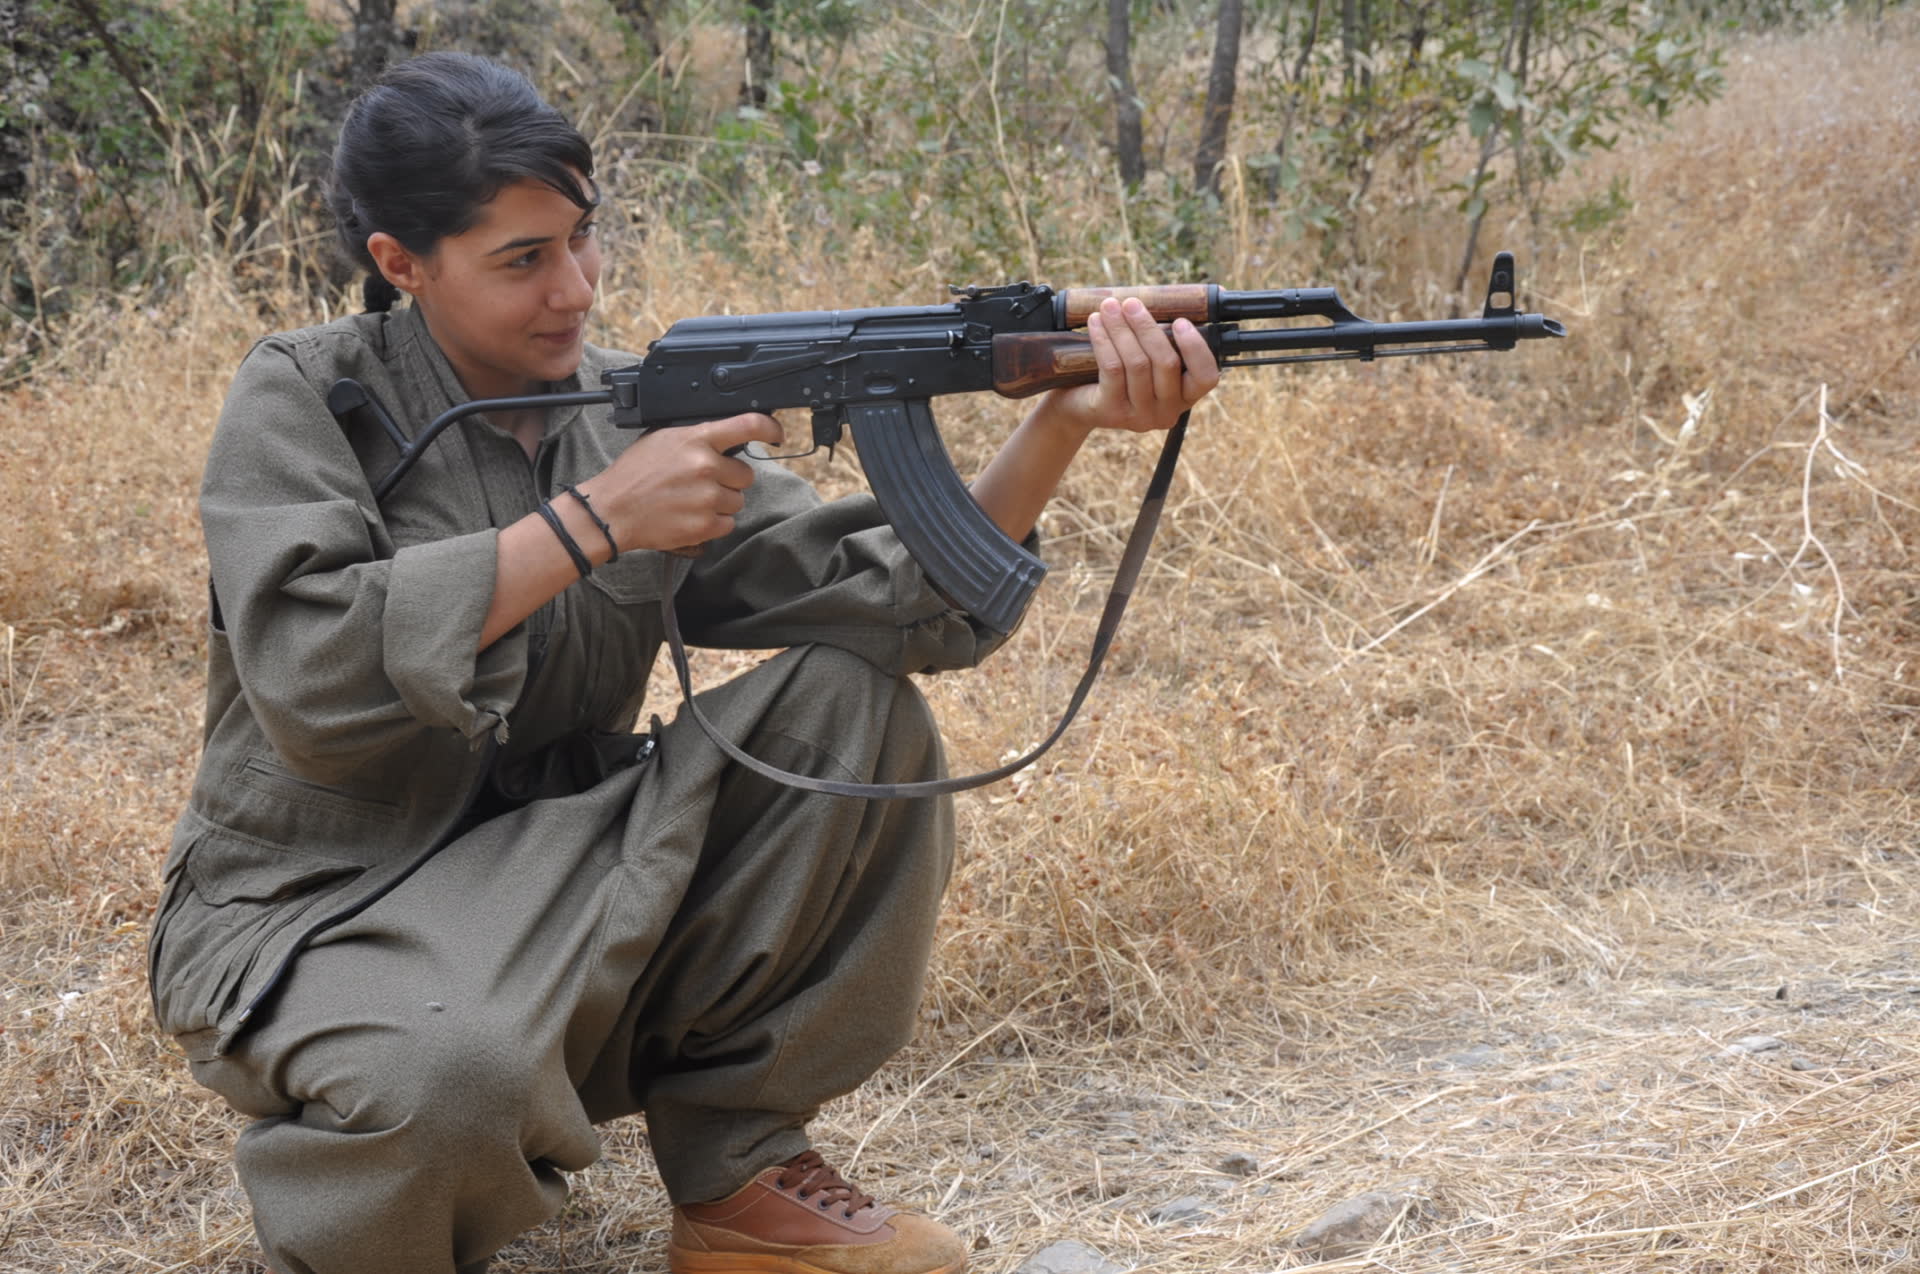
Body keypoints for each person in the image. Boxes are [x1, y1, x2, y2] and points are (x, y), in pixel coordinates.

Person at [147, 50, 1219, 1274]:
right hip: (313, 902)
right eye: (522, 259)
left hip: (553, 866)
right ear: (402, 262)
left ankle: (736, 1176)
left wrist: (1063, 418)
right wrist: (595, 522)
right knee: (452, 1080)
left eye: (583, 239)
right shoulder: (303, 397)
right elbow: (312, 673)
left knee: (850, 707)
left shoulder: (628, 406)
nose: (575, 288)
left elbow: (890, 597)